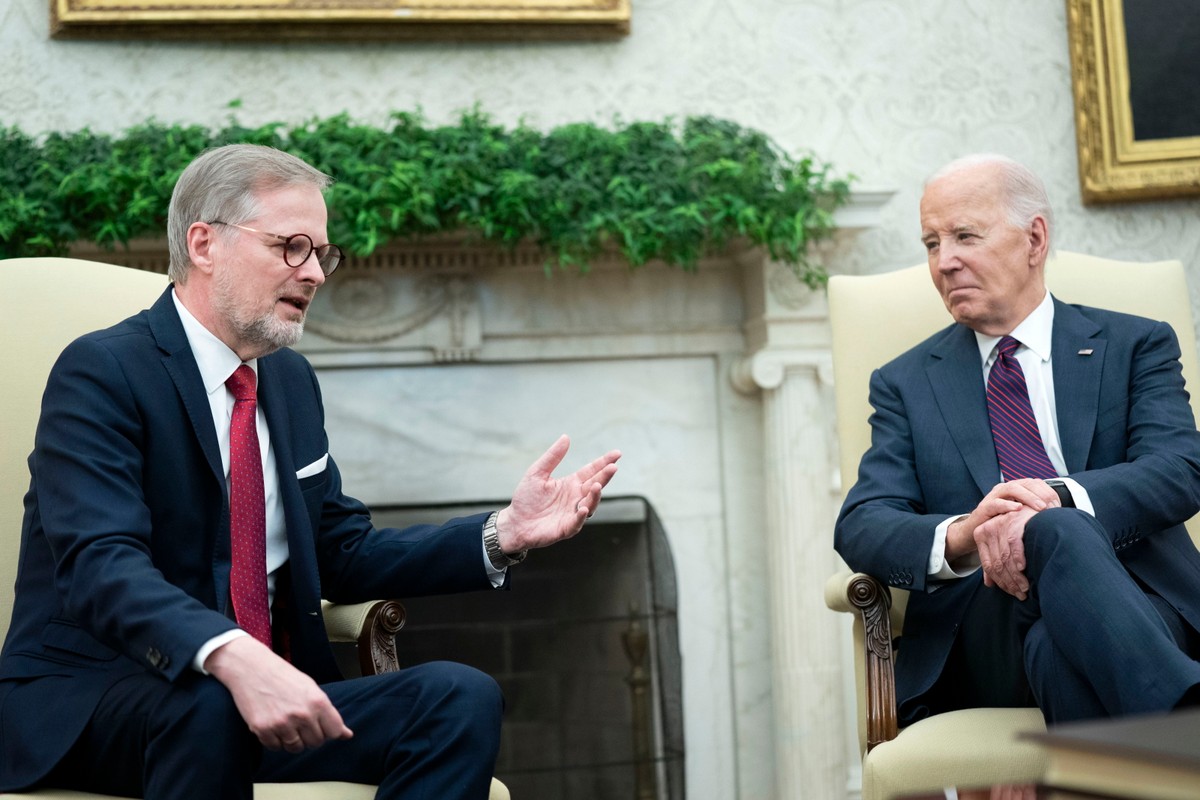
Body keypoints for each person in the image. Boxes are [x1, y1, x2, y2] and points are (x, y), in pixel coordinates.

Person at [0, 143, 621, 799]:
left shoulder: (289, 381)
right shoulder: (103, 372)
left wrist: (502, 535)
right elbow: (101, 564)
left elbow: (341, 551)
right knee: (211, 701)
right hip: (102, 699)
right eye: (291, 246)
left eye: (322, 252)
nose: (316, 272)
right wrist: (231, 657)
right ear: (204, 244)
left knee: (458, 696)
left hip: (263, 701)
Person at [834, 154, 1200, 726]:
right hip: (985, 625)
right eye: (931, 243)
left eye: (964, 236)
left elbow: (1179, 470)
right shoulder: (905, 382)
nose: (944, 262)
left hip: (1143, 604)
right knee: (1052, 531)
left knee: (1056, 648)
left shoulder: (1135, 345)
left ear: (1034, 240)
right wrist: (968, 531)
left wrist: (1053, 500)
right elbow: (862, 523)